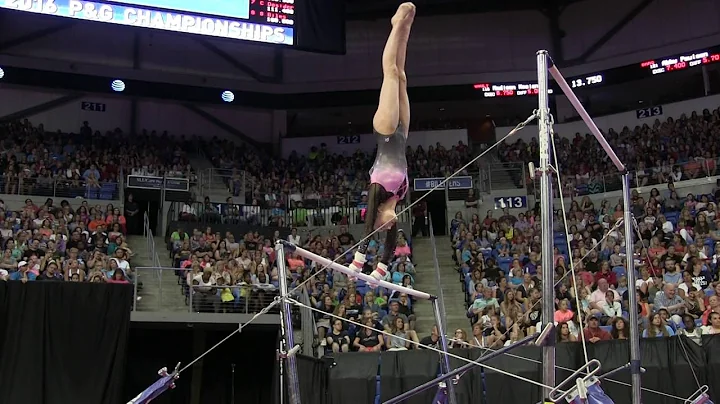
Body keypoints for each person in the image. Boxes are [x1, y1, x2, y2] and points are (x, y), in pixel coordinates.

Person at [348, 2, 416, 282]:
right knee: (401, 77)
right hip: (402, 133)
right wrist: (382, 269)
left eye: (386, 226)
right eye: (394, 227)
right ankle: (406, 28)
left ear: (378, 222)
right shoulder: (400, 196)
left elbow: (367, 229)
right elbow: (390, 247)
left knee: (389, 72)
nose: (392, 225)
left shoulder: (377, 194)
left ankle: (396, 25)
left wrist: (359, 262)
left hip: (386, 131)